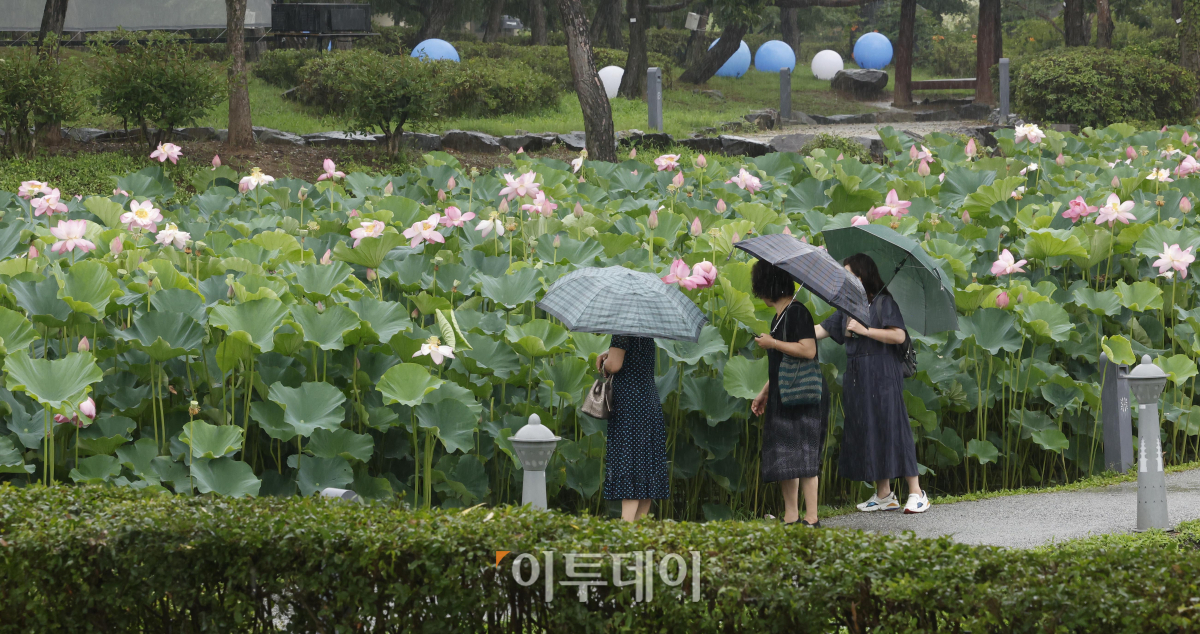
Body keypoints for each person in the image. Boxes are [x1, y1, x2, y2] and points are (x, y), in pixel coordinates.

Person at [814, 253, 930, 514]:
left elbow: (898, 335)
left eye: (850, 274)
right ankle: (884, 494)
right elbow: (821, 329)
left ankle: (916, 492)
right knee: (868, 428)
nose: (847, 279)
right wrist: (791, 331)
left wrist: (865, 331)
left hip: (883, 372)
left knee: (893, 426)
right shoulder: (847, 307)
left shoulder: (883, 303)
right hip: (857, 376)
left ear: (863, 275)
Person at [749, 261, 828, 527]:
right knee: (784, 455)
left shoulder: (798, 313)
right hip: (782, 394)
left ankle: (812, 517)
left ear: (768, 286)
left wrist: (772, 343)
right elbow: (780, 365)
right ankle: (791, 515)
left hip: (803, 396)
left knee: (805, 454)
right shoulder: (778, 317)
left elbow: (808, 350)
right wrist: (763, 393)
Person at [597, 335, 669, 521]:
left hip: (630, 404)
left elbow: (614, 366)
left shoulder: (621, 331)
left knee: (630, 464)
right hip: (648, 400)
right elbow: (630, 357)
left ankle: (626, 530)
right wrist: (610, 353)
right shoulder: (646, 331)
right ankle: (638, 533)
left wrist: (605, 364)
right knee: (645, 465)